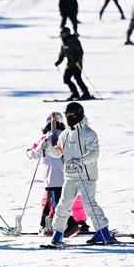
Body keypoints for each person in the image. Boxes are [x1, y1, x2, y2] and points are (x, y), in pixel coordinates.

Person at [49, 101, 114, 245]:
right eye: (67, 115)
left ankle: (103, 232)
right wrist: (48, 149)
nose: (68, 117)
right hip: (70, 176)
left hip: (86, 176)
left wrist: (80, 160)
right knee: (63, 205)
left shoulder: (89, 133)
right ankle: (58, 233)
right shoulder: (65, 134)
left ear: (79, 114)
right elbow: (59, 152)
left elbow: (94, 154)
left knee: (89, 204)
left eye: (71, 115)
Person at [27, 112, 89, 236]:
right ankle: (54, 224)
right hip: (67, 177)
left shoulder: (46, 139)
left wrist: (29, 152)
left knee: (58, 205)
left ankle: (71, 225)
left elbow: (35, 154)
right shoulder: (67, 136)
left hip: (53, 179)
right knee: (62, 203)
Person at [54, 27, 91, 100]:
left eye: (63, 33)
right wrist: (59, 61)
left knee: (77, 78)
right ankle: (75, 93)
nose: (62, 35)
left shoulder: (74, 41)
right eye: (61, 34)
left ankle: (86, 93)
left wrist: (76, 59)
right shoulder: (63, 43)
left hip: (77, 63)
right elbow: (62, 53)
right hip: (69, 64)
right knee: (66, 79)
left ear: (67, 33)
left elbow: (80, 52)